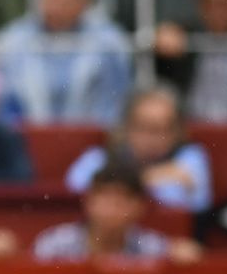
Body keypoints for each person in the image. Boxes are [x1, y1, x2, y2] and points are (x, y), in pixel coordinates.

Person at [0, 0, 132, 123]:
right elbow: (6, 101)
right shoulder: (13, 40)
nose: (55, 7)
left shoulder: (109, 42)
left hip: (91, 136)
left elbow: (114, 99)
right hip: (27, 138)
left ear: (83, 1)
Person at [65, 84, 212, 212]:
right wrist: (152, 178)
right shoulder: (99, 158)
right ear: (126, 128)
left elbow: (197, 204)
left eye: (162, 130)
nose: (152, 139)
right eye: (143, 128)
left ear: (178, 132)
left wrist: (116, 185)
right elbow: (75, 189)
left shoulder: (191, 157)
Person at [24, 160, 201, 263]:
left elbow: (185, 253)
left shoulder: (153, 248)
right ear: (89, 202)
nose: (112, 207)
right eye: (105, 197)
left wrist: (187, 254)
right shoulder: (54, 245)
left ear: (139, 207)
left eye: (122, 199)